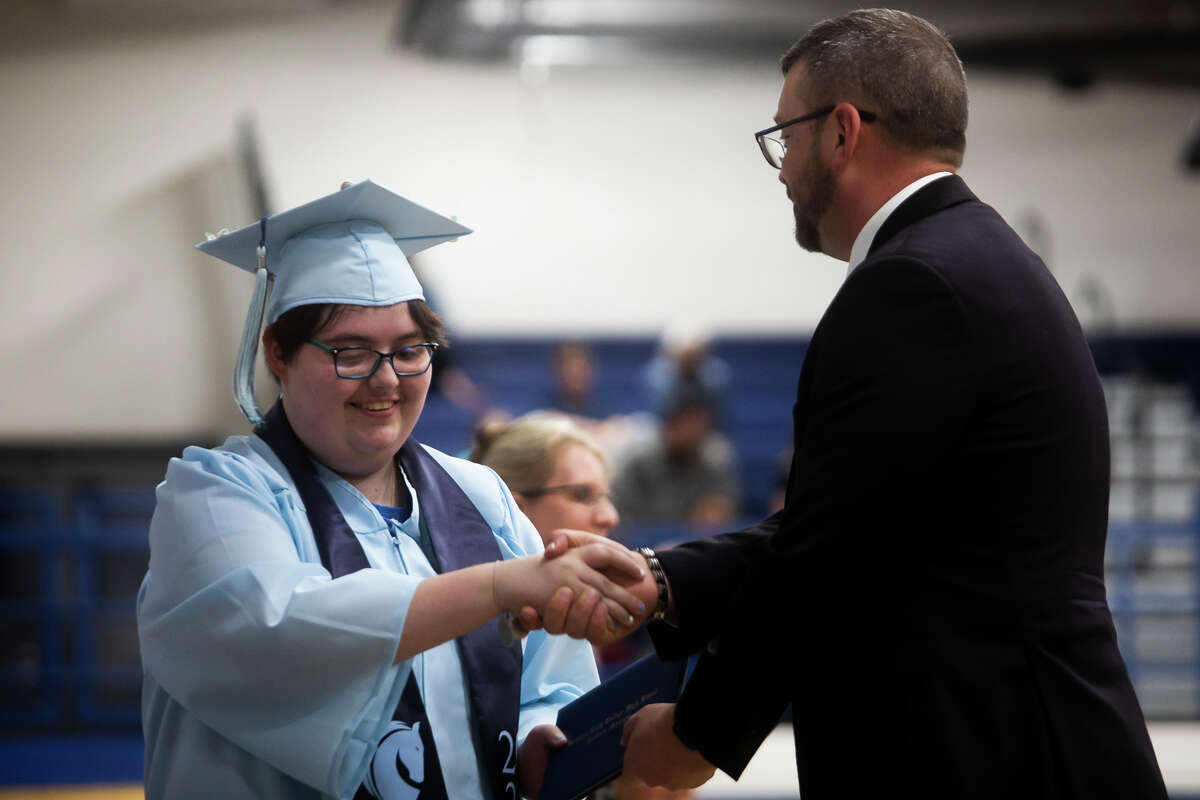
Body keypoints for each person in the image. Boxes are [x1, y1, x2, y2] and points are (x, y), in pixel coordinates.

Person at [540, 10, 1170, 798]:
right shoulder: (975, 259)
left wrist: (698, 733)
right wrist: (663, 582)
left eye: (785, 138)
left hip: (997, 758)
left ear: (842, 132)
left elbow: (829, 554)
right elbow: (857, 522)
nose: (779, 168)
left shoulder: (914, 286)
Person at [136, 180, 645, 799]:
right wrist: (499, 584)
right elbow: (278, 634)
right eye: (351, 353)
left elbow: (548, 684)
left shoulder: (480, 497)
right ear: (278, 353)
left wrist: (542, 736)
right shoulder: (216, 494)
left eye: (410, 351)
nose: (386, 381)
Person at [472, 412, 690, 800]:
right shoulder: (468, 602)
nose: (610, 516)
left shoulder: (581, 598)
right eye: (583, 495)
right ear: (516, 509)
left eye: (608, 496)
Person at [611, 391, 738, 529]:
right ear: (669, 425)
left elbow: (719, 511)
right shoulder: (640, 465)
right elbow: (622, 514)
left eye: (699, 426)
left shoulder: (713, 467)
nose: (691, 433)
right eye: (685, 424)